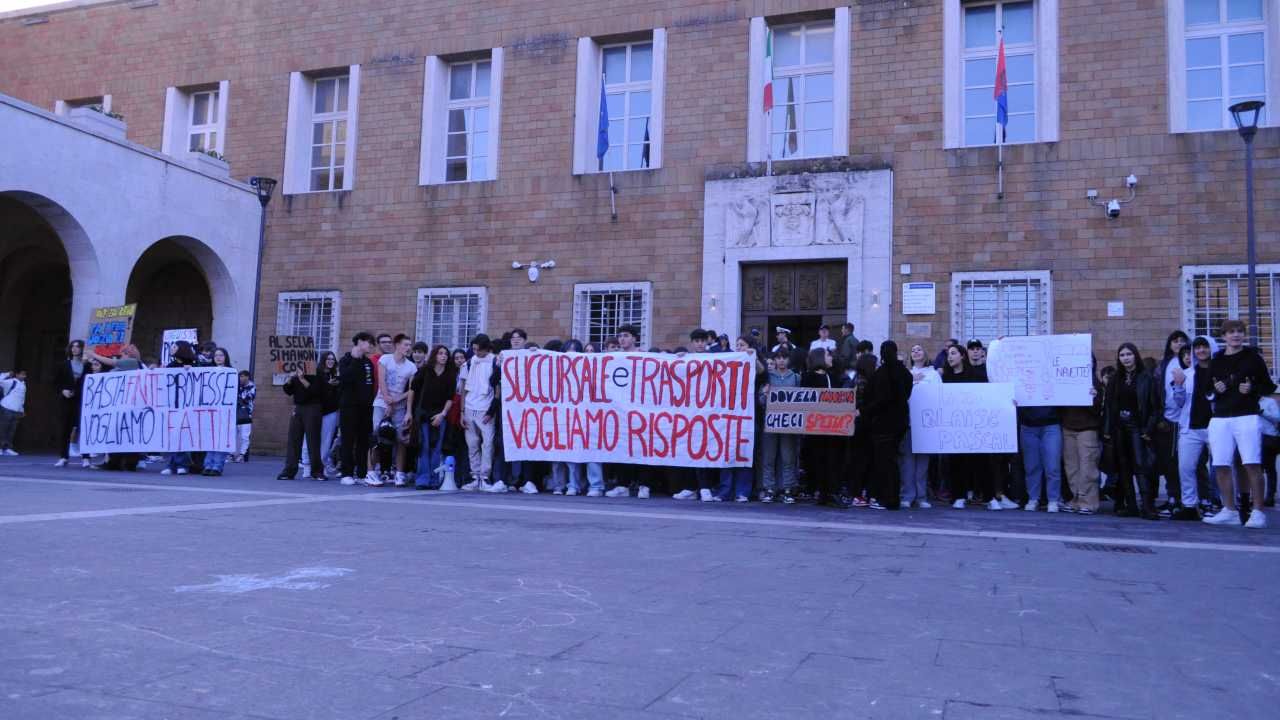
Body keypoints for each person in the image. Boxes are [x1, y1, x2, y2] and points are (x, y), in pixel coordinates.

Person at [1203, 319, 1276, 528]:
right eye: (1231, 332)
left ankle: (1258, 512)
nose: (1236, 335)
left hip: (1247, 415)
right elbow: (1206, 390)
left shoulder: (1253, 358)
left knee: (1251, 463)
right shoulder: (1216, 360)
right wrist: (1215, 389)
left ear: (1244, 335)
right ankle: (1229, 510)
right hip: (1220, 417)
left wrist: (1252, 389)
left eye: (1239, 332)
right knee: (1220, 464)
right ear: (1223, 336)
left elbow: (1268, 386)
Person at [1101, 343, 1160, 519]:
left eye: (1129, 354)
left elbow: (1155, 407)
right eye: (1122, 355)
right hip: (1119, 427)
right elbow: (1109, 406)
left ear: (1135, 356)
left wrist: (1147, 430)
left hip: (1137, 427)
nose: (1126, 358)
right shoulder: (1115, 379)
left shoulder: (1146, 377)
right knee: (1123, 467)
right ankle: (1131, 505)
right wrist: (1107, 430)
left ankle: (1147, 506)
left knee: (1141, 467)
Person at [863, 341, 913, 510]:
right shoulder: (904, 373)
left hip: (883, 424)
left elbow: (879, 399)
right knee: (893, 461)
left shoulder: (881, 374)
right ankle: (893, 497)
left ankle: (887, 498)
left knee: (885, 462)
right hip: (900, 422)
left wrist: (865, 411)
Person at [1172, 336, 1217, 521]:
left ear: (1211, 348)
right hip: (1190, 427)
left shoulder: (1220, 371)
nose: (1200, 351)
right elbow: (1179, 402)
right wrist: (1179, 386)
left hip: (1216, 426)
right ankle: (1189, 505)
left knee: (1221, 467)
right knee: (1186, 467)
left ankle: (1222, 503)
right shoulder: (1188, 374)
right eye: (1197, 347)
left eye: (1204, 347)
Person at [606, 325, 653, 499]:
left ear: (634, 338)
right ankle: (623, 485)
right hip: (620, 410)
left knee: (642, 447)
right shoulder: (614, 357)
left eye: (626, 336)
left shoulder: (645, 356)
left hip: (641, 409)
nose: (622, 339)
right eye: (620, 336)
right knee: (622, 447)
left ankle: (644, 485)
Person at [802, 347, 848, 507]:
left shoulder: (832, 377)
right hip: (816, 427)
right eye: (828, 355)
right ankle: (823, 492)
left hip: (832, 427)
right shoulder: (808, 377)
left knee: (833, 460)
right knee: (819, 460)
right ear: (820, 358)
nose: (831, 358)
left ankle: (832, 492)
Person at [371, 334, 417, 487]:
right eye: (405, 345)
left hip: (400, 406)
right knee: (377, 436)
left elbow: (411, 390)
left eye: (409, 345)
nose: (408, 348)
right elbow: (382, 381)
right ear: (397, 345)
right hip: (381, 403)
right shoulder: (385, 360)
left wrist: (404, 407)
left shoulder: (411, 366)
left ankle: (399, 473)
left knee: (401, 439)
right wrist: (387, 400)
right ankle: (371, 472)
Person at [1153, 331, 1190, 514]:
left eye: (1183, 341)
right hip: (1167, 418)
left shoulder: (1190, 363)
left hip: (1185, 420)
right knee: (1168, 462)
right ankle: (1172, 497)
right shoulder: (1164, 364)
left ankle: (1189, 500)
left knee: (1186, 463)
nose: (1179, 344)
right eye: (1175, 341)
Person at [1061, 358, 1104, 515]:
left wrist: (1094, 397)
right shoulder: (1064, 379)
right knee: (1072, 467)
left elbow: (1099, 409)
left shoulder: (1095, 382)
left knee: (1088, 467)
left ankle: (1089, 502)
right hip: (1068, 427)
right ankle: (1075, 499)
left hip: (1088, 428)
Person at [900, 344, 939, 508]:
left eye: (919, 349)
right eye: (913, 350)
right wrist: (911, 381)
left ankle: (921, 496)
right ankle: (907, 495)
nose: (915, 352)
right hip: (908, 422)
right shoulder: (905, 374)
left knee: (923, 463)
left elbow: (940, 395)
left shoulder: (934, 374)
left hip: (926, 424)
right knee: (907, 461)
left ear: (925, 353)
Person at [412, 344, 456, 489]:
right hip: (424, 413)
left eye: (446, 354)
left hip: (440, 415)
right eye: (440, 353)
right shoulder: (425, 371)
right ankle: (422, 479)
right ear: (434, 355)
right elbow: (413, 390)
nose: (443, 356)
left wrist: (442, 414)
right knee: (423, 446)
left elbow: (451, 397)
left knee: (436, 447)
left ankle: (434, 479)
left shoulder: (450, 374)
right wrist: (408, 412)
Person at [759, 350, 800, 503]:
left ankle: (788, 489)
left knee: (788, 457)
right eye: (778, 358)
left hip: (789, 424)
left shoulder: (796, 378)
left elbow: (804, 401)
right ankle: (769, 488)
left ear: (789, 360)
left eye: (784, 358)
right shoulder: (768, 377)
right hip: (770, 423)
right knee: (769, 457)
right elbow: (761, 401)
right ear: (775, 360)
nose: (781, 361)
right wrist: (764, 394)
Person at [460, 333, 499, 491]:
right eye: (474, 349)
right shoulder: (469, 363)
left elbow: (497, 388)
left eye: (478, 350)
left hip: (486, 408)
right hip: (470, 407)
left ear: (486, 348)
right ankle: (475, 476)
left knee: (488, 444)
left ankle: (485, 476)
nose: (476, 352)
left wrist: (491, 411)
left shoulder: (495, 361)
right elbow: (463, 389)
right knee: (472, 444)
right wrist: (462, 411)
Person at [338, 332, 376, 486]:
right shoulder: (346, 360)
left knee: (363, 441)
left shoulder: (368, 363)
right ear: (359, 342)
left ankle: (361, 473)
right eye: (368, 343)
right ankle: (346, 473)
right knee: (348, 440)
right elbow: (346, 377)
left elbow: (370, 383)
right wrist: (354, 359)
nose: (370, 346)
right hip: (349, 407)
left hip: (365, 408)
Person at [277, 364, 324, 481]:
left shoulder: (317, 372)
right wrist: (290, 378)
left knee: (313, 440)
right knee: (294, 439)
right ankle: (289, 471)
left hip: (313, 408)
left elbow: (316, 391)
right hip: (298, 407)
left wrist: (302, 379)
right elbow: (288, 391)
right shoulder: (296, 373)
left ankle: (317, 471)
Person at [161, 341, 198, 476]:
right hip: (173, 405)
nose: (172, 349)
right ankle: (171, 464)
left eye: (175, 347)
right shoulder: (171, 365)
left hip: (188, 406)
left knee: (183, 436)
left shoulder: (194, 363)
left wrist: (191, 370)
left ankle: (182, 464)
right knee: (173, 435)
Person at [1018, 403, 1063, 513]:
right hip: (1027, 425)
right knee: (1031, 466)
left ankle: (1053, 499)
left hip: (1051, 423)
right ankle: (1033, 498)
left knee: (1053, 466)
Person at [53, 340, 88, 466]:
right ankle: (63, 456)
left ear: (82, 349)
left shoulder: (87, 365)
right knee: (65, 429)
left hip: (81, 400)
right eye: (72, 347)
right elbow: (55, 382)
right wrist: (63, 391)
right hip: (66, 400)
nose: (75, 349)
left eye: (78, 347)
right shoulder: (64, 365)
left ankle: (86, 457)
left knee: (83, 428)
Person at [201, 348, 235, 476]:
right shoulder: (208, 370)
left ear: (226, 357)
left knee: (221, 439)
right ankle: (207, 465)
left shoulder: (231, 372)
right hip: (210, 410)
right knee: (210, 439)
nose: (218, 357)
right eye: (216, 355)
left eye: (221, 355)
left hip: (225, 410)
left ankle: (217, 466)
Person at [0, 368, 28, 456]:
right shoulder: (12, 381)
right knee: (3, 429)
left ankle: (7, 448)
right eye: (22, 374)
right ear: (17, 375)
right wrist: (7, 374)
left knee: (11, 430)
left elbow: (22, 399)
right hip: (6, 407)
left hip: (16, 410)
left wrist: (22, 410)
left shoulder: (23, 384)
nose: (23, 376)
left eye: (25, 375)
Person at [1260, 393, 1278, 508]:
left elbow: (1278, 417)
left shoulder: (1269, 402)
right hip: (1253, 438)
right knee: (1256, 468)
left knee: (1269, 468)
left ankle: (1270, 496)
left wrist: (1263, 413)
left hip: (1268, 438)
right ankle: (1256, 496)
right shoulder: (1246, 401)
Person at [234, 369, 256, 463]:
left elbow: (246, 399)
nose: (241, 378)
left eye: (243, 376)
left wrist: (239, 396)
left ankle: (242, 454)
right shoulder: (237, 386)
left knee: (244, 436)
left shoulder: (251, 387)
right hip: (236, 413)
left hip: (246, 414)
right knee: (234, 435)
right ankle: (232, 454)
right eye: (240, 376)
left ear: (247, 377)